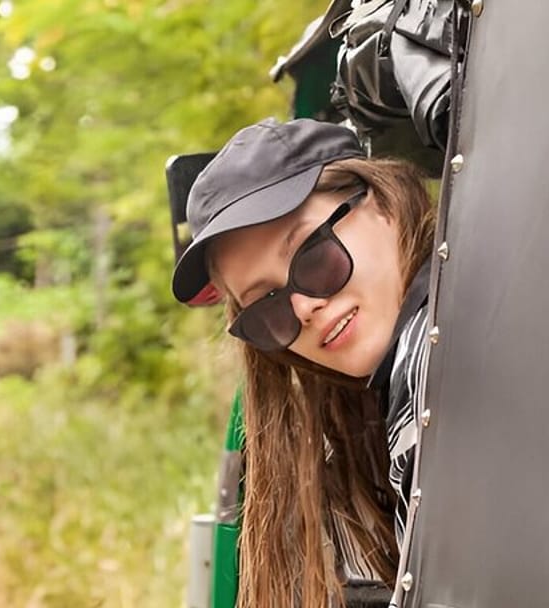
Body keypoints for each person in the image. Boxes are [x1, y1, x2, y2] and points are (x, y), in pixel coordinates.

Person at [172, 118, 435, 608]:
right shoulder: (379, 409)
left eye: (312, 256)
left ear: (382, 204)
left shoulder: (441, 364)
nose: (303, 309)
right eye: (267, 305)